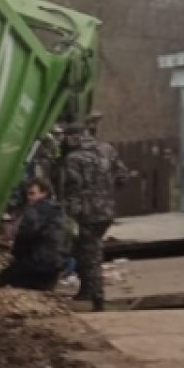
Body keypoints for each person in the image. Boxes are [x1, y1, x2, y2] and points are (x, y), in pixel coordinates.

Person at [62, 114, 129, 312]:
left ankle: (97, 295)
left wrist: (70, 215)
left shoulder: (73, 159)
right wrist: (105, 191)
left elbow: (71, 189)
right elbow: (123, 177)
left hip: (86, 213)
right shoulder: (107, 150)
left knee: (88, 252)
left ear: (73, 137)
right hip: (106, 210)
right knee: (89, 251)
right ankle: (87, 290)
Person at [0, 178, 65, 291]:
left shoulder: (34, 210)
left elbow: (24, 237)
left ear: (44, 193)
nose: (29, 197)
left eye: (32, 193)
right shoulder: (58, 211)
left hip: (36, 265)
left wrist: (15, 256)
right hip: (55, 268)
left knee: (4, 277)